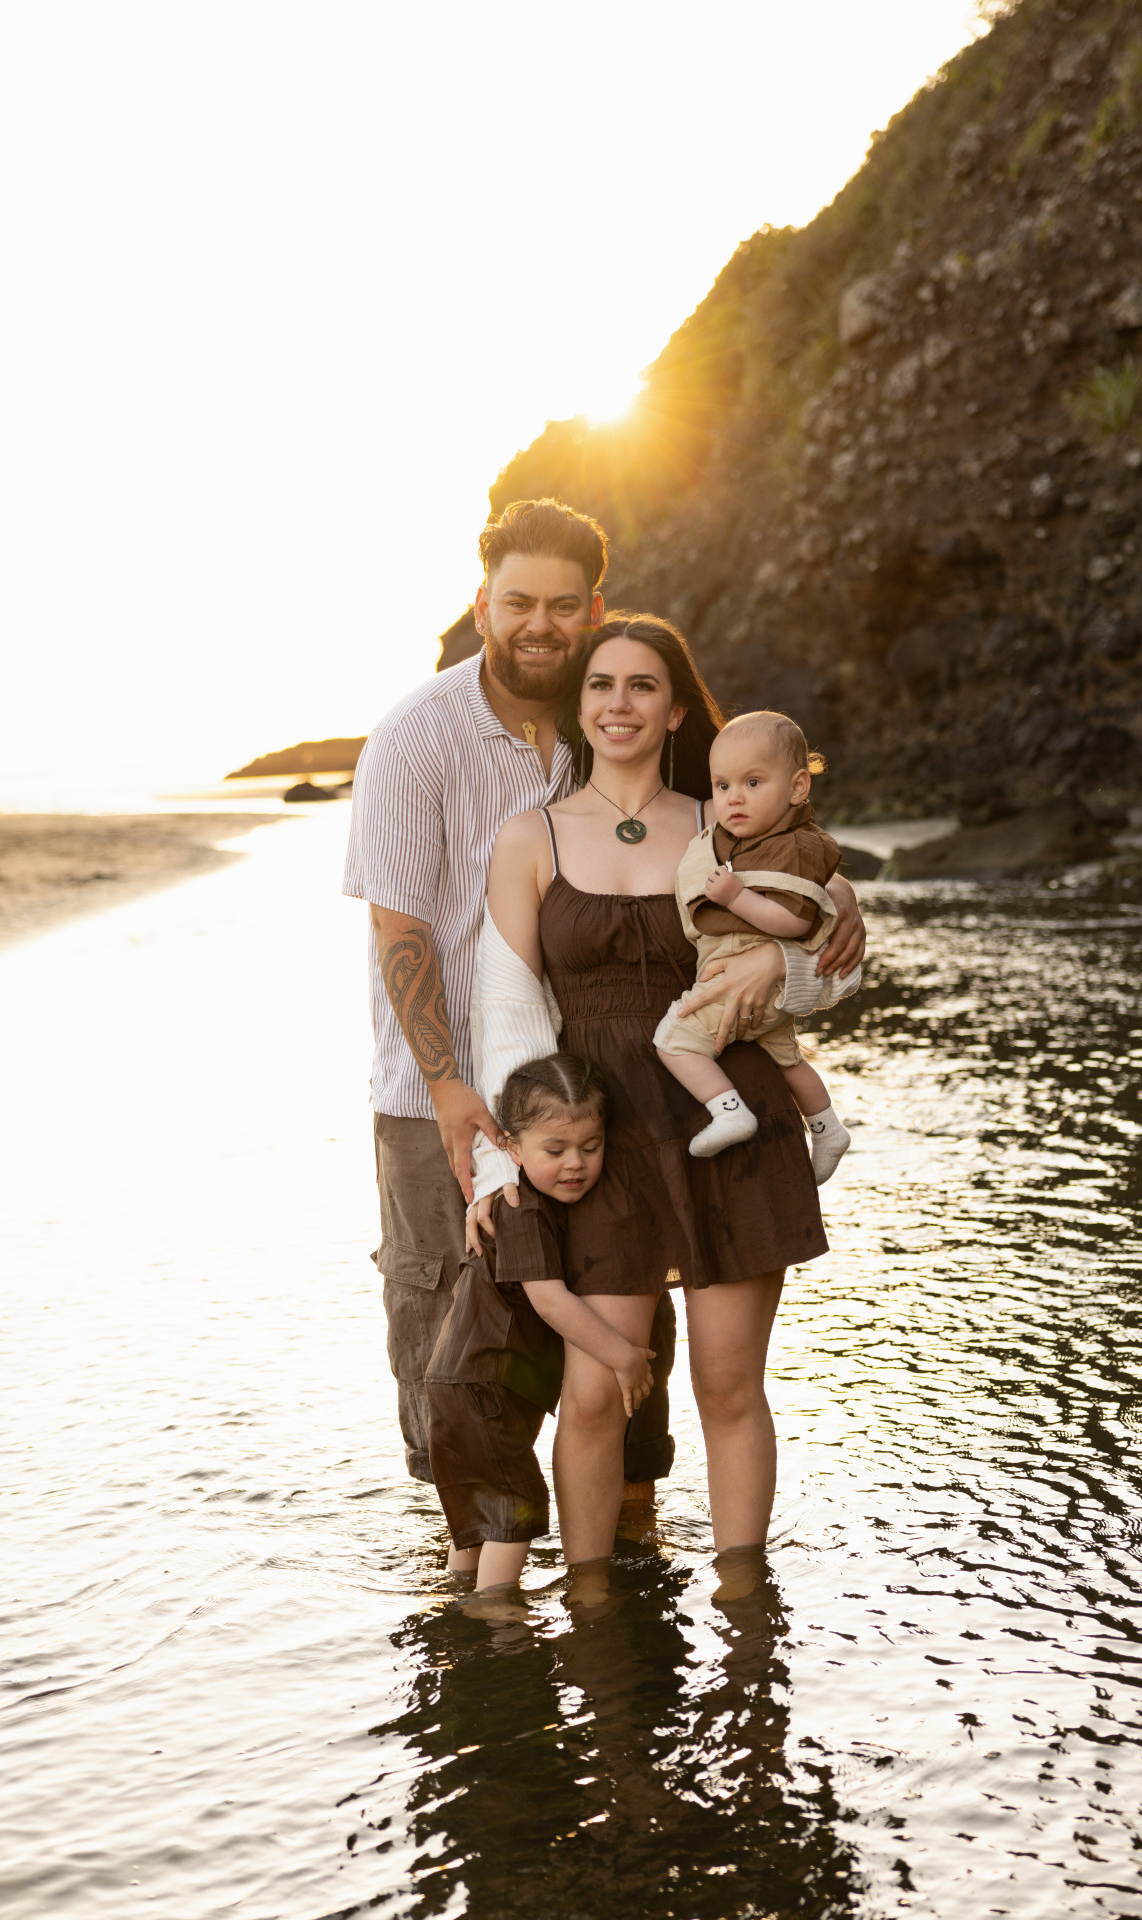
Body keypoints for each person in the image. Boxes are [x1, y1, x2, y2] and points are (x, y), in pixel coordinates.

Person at [343, 498, 866, 1493]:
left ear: (592, 608)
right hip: (438, 1099)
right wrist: (454, 1091)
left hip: (608, 1102)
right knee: (458, 1355)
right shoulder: (416, 737)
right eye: (515, 602)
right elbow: (397, 927)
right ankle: (476, 1607)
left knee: (624, 1357)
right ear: (481, 604)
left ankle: (626, 1585)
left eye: (560, 604)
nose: (537, 622)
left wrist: (825, 909)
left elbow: (765, 868)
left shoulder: (623, 729)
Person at [474, 613, 851, 1581]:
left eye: (642, 685)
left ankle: (744, 1606)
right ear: (579, 707)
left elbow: (830, 968)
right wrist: (498, 1162)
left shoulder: (728, 822)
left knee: (729, 1386)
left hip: (727, 1117)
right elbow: (509, 1012)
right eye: (600, 686)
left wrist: (782, 959)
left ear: (675, 705)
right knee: (595, 1391)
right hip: (596, 1137)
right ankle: (590, 1607)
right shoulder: (530, 838)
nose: (618, 704)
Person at [426, 1053, 655, 1596]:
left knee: (480, 1511)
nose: (575, 1164)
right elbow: (550, 1302)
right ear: (510, 1147)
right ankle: (498, 1617)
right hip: (484, 1387)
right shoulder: (521, 1209)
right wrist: (623, 1354)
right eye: (555, 1150)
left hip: (466, 1384)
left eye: (590, 1148)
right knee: (514, 1512)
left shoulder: (536, 1201)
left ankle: (460, 1599)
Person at [653, 709, 856, 1176]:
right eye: (722, 786)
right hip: (767, 1000)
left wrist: (736, 895)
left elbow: (792, 921)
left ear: (798, 787)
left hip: (739, 980)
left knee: (674, 1041)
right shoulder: (755, 838)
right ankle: (827, 1127)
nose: (734, 799)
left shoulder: (794, 846)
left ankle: (728, 1111)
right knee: (788, 1059)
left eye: (752, 783)